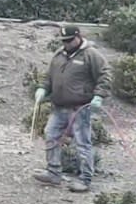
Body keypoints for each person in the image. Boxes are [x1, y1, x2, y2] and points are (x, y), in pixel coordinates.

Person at [33, 26, 111, 192]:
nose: (66, 44)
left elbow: (105, 74)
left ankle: (85, 179)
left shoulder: (91, 54)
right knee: (51, 135)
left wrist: (99, 96)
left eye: (69, 40)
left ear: (78, 37)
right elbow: (49, 76)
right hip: (59, 106)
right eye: (64, 41)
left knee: (82, 143)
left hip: (80, 108)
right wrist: (43, 88)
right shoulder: (59, 54)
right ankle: (53, 173)